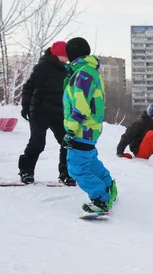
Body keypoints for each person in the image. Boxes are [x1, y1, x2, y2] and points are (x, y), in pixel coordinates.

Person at [62, 37, 116, 213]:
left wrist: (71, 130)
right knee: (89, 161)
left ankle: (100, 199)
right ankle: (108, 186)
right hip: (90, 128)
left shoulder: (83, 73)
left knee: (76, 167)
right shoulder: (88, 71)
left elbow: (80, 105)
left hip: (82, 129)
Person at [18, 41, 75, 186]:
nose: (67, 59)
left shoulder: (66, 69)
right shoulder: (42, 67)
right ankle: (26, 171)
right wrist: (25, 106)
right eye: (65, 56)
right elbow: (28, 87)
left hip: (58, 111)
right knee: (37, 142)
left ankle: (65, 174)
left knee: (66, 142)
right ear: (57, 55)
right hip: (40, 110)